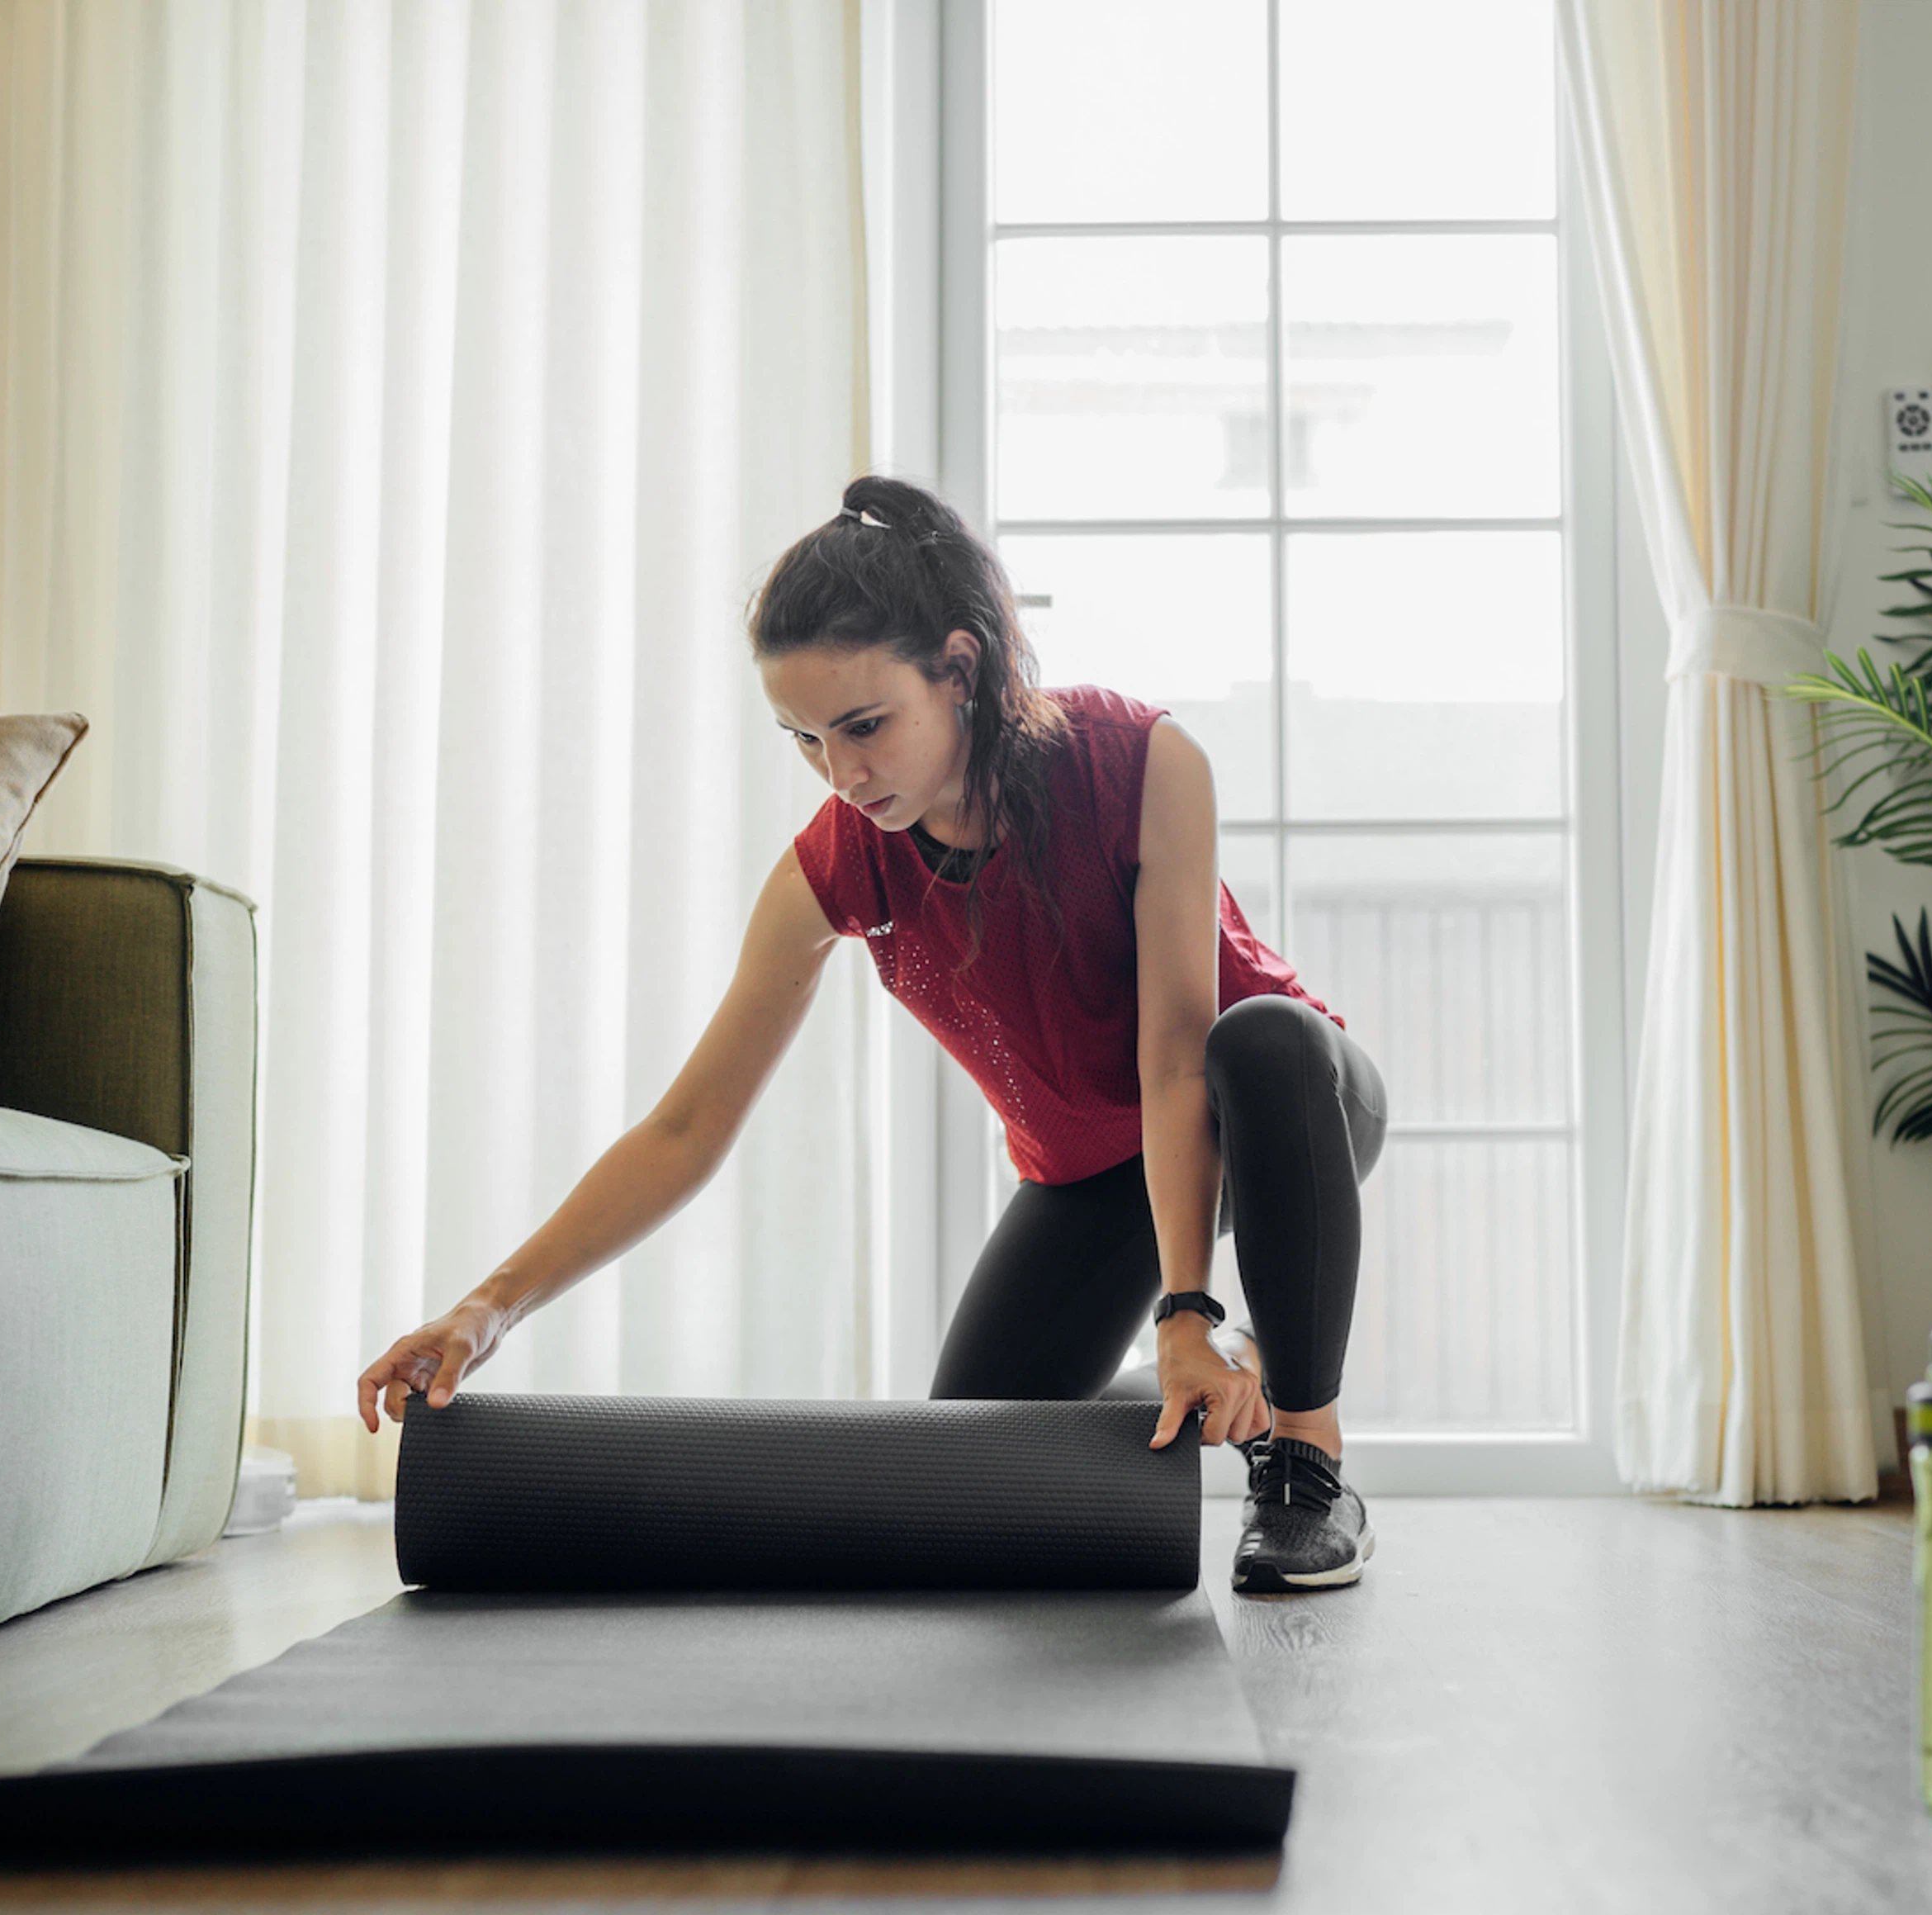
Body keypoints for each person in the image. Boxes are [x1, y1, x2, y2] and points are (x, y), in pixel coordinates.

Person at [355, 474, 1388, 1591]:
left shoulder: (1142, 763)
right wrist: (484, 1310)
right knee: (960, 1476)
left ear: (961, 668)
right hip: (1096, 1172)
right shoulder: (837, 871)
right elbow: (686, 1128)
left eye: (865, 727)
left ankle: (1306, 1458)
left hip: (1277, 1110)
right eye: (804, 739)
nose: (844, 775)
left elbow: (1180, 1052)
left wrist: (1186, 1302)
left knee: (1262, 1039)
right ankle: (1210, 1374)